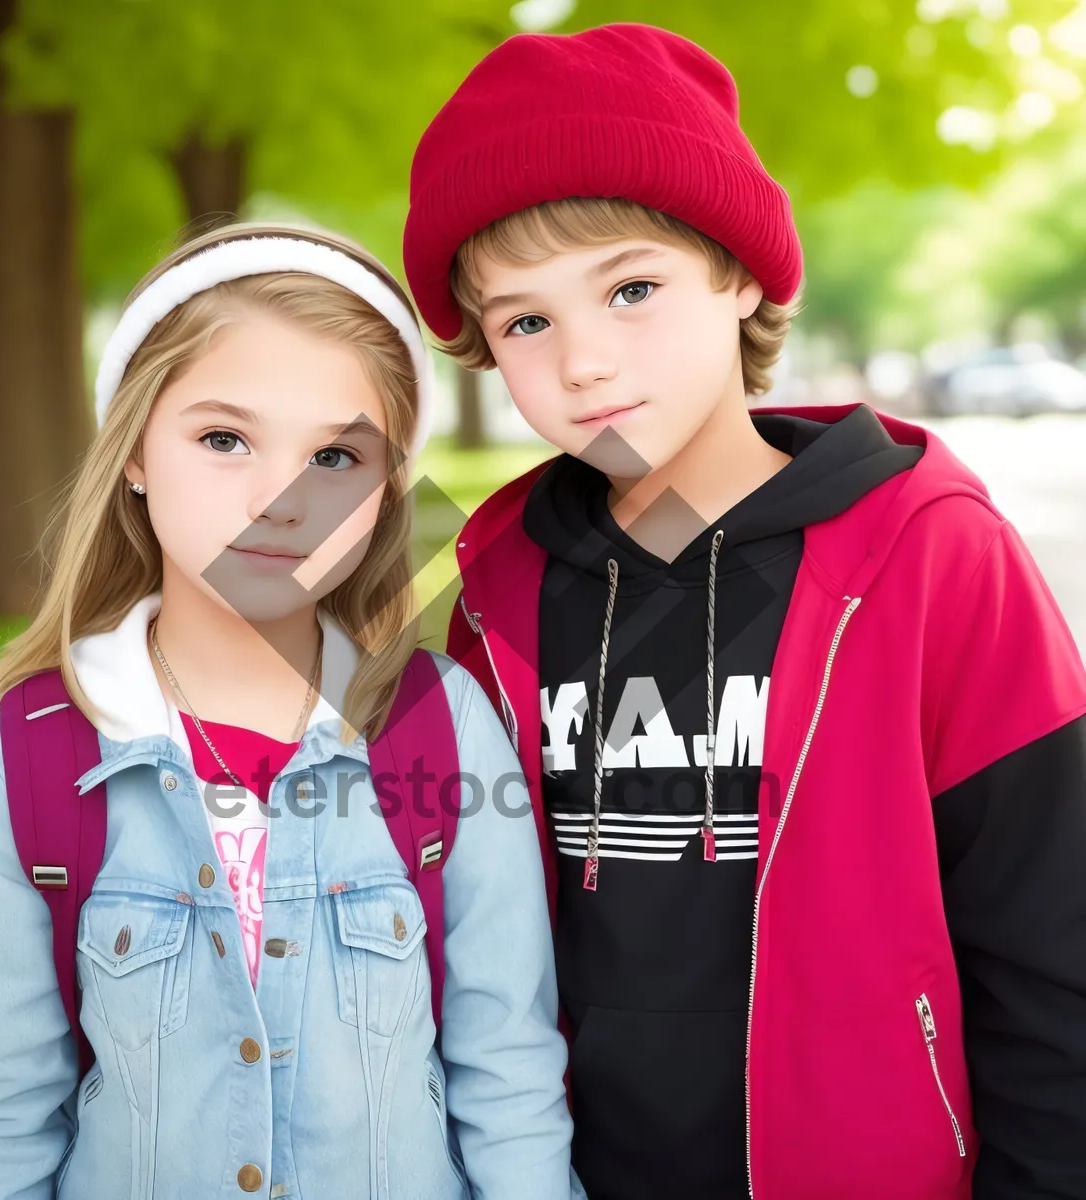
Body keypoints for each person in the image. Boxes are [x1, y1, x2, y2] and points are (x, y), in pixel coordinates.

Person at [403, 23, 1086, 1200]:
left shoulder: (932, 559)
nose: (585, 363)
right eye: (526, 321)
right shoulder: (499, 594)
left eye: (631, 288)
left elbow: (1049, 949)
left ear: (737, 271)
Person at [0, 223, 580, 1199]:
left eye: (336, 457)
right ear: (135, 453)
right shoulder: (32, 758)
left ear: (389, 492)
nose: (280, 498)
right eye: (224, 438)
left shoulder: (444, 728)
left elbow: (509, 1082)